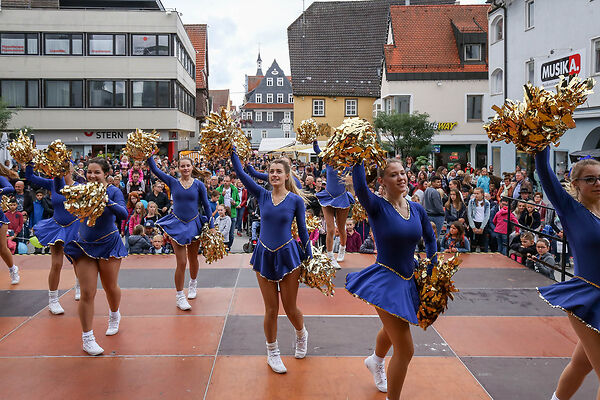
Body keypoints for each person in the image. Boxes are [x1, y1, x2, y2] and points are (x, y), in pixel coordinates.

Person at [346, 159, 436, 399]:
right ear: (383, 182)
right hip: (385, 281)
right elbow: (360, 186)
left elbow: (430, 238)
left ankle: (375, 360)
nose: (401, 178)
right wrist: (358, 158)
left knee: (393, 326)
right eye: (394, 175)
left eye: (403, 173)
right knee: (405, 350)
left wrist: (433, 269)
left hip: (410, 278)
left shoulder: (416, 208)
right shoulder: (376, 206)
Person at [231, 149, 312, 374]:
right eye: (271, 171)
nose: (274, 174)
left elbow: (303, 231)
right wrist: (233, 152)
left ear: (287, 175)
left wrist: (309, 255)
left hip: (288, 256)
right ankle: (272, 352)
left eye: (278, 171)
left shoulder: (295, 200)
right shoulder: (262, 194)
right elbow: (240, 173)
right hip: (264, 255)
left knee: (290, 307)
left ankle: (301, 334)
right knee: (271, 309)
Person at [534, 147, 600, 400]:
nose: (597, 183)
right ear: (576, 184)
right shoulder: (571, 210)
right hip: (586, 297)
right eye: (590, 179)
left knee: (581, 365)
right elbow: (545, 172)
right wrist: (542, 140)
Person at [62, 157, 128, 356]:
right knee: (87, 292)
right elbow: (64, 185)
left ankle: (114, 314)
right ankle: (87, 338)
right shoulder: (81, 189)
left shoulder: (113, 191)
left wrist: (106, 201)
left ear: (106, 173)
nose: (92, 176)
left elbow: (124, 214)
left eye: (97, 172)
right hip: (83, 245)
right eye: (89, 172)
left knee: (110, 287)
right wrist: (63, 167)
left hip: (109, 243)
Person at [147, 155, 214, 310]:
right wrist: (149, 155)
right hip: (177, 225)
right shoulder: (172, 181)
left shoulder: (199, 185)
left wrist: (211, 224)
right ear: (178, 168)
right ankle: (179, 296)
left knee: (193, 258)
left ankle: (193, 283)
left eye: (187, 166)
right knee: (182, 262)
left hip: (194, 224)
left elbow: (206, 204)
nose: (185, 169)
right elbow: (155, 170)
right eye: (182, 166)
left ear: (192, 167)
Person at [26, 163, 81, 314]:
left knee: (77, 260)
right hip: (56, 226)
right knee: (56, 263)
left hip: (74, 226)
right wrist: (30, 161)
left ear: (71, 170)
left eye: (65, 167)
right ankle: (53, 300)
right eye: (59, 167)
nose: (61, 170)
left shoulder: (80, 186)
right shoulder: (52, 183)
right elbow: (30, 177)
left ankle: (79, 286)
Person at [313, 141, 354, 268]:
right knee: (330, 229)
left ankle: (342, 248)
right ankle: (330, 256)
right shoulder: (328, 160)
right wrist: (314, 139)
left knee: (341, 228)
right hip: (328, 198)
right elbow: (317, 149)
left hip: (341, 199)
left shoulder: (348, 163)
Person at [0, 166, 19, 284]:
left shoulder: (0, 178)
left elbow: (10, 188)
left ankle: (13, 269)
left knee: (2, 248)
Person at [216, 175, 240, 249]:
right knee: (222, 231)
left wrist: (235, 203)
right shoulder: (219, 189)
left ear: (230, 182)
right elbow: (217, 201)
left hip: (231, 213)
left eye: (227, 181)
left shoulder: (234, 189)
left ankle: (228, 247)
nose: (225, 183)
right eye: (224, 181)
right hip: (222, 213)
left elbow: (238, 200)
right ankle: (221, 247)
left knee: (231, 234)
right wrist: (221, 196)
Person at [467, 187, 490, 252]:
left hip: (483, 224)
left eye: (477, 193)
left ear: (482, 194)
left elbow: (487, 215)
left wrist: (482, 227)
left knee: (482, 244)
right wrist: (473, 227)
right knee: (473, 244)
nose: (476, 195)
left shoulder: (487, 203)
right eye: (474, 193)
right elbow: (469, 214)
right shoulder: (471, 202)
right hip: (474, 223)